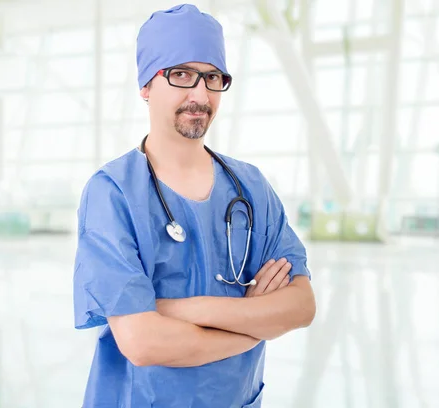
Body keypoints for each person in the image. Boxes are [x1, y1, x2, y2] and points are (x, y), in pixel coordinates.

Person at [73, 4, 316, 407]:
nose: (200, 95)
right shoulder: (112, 193)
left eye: (212, 77)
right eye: (181, 75)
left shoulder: (251, 188)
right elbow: (142, 342)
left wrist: (180, 309)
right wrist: (256, 323)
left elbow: (301, 306)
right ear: (147, 85)